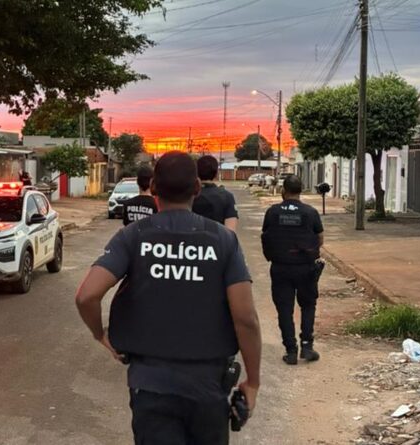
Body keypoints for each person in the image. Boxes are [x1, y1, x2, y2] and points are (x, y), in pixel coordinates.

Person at [75, 151, 262, 445]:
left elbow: (87, 295)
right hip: (208, 387)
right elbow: (246, 319)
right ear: (197, 189)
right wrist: (253, 381)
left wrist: (101, 335)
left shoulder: (133, 236)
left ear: (154, 189)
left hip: (150, 387)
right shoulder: (223, 240)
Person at [261, 175, 324, 365]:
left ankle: (290, 351)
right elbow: (320, 238)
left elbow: (265, 236)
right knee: (308, 305)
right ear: (301, 190)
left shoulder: (273, 212)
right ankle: (307, 346)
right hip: (305, 267)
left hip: (280, 267)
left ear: (283, 191)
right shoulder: (310, 212)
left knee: (284, 310)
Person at [192, 155, 239, 231]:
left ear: (196, 172)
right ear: (216, 173)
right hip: (217, 241)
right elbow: (231, 231)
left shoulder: (188, 196)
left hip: (189, 242)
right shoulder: (227, 197)